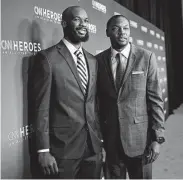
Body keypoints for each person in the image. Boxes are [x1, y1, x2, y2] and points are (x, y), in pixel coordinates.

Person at [28, 6, 103, 179]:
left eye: (86, 21)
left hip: (93, 149)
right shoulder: (48, 58)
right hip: (62, 150)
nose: (83, 24)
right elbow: (41, 108)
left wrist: (100, 142)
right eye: (77, 19)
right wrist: (43, 150)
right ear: (64, 23)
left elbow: (93, 104)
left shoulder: (92, 60)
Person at [96, 15, 165, 179]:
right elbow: (97, 103)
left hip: (141, 141)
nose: (122, 32)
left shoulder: (146, 57)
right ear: (107, 32)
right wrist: (98, 140)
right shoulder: (97, 61)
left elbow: (155, 101)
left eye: (126, 28)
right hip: (111, 142)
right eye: (116, 28)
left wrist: (157, 138)